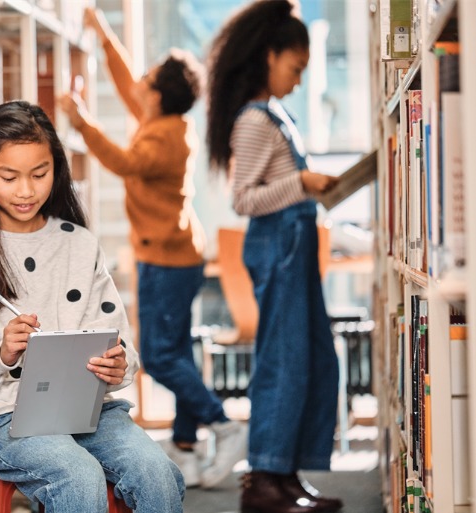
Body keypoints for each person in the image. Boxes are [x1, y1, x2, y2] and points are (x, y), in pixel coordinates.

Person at [0, 100, 184, 513]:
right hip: (3, 416)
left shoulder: (78, 243)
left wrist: (117, 364)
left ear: (56, 170)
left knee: (155, 472)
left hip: (90, 411)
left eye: (40, 174)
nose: (26, 190)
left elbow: (118, 340)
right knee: (77, 475)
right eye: (8, 176)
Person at [58, 7, 247, 490]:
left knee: (161, 358)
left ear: (158, 95)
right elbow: (126, 81)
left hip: (167, 257)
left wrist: (81, 120)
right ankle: (186, 442)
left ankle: (223, 425)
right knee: (178, 349)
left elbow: (123, 162)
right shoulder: (160, 118)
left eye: (148, 78)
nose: (138, 81)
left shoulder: (166, 139)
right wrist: (102, 33)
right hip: (172, 253)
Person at [205, 1, 343, 512]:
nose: (300, 81)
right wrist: (302, 183)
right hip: (279, 245)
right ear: (269, 56)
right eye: (296, 68)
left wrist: (306, 188)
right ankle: (264, 478)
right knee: (285, 362)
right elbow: (244, 199)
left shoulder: (275, 115)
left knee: (309, 359)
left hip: (294, 245)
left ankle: (284, 474)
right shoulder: (254, 120)